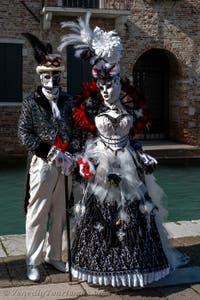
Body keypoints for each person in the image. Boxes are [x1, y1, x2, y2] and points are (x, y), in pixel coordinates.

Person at [58, 13, 189, 287]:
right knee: (99, 216)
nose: (106, 91)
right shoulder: (90, 108)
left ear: (120, 84)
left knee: (135, 216)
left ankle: (137, 267)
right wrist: (81, 159)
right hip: (101, 164)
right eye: (102, 86)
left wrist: (142, 153)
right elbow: (81, 136)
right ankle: (99, 265)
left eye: (111, 85)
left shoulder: (131, 109)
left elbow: (134, 138)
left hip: (128, 164)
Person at [18, 33, 79, 282]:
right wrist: (48, 152)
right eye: (47, 75)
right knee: (37, 212)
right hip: (43, 164)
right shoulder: (31, 102)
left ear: (60, 76)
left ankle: (54, 256)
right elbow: (23, 133)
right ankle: (33, 260)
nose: (51, 79)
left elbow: (78, 130)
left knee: (60, 213)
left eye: (55, 75)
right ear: (40, 75)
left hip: (65, 165)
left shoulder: (69, 100)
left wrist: (71, 153)